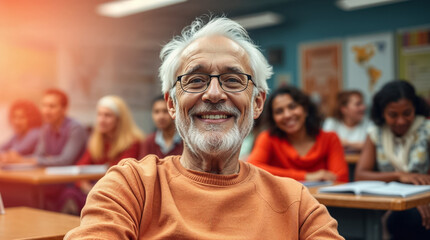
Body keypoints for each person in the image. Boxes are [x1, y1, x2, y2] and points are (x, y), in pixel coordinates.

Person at [65, 17, 343, 239]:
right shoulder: (131, 188)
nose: (213, 93)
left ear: (257, 103)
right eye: (195, 80)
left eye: (233, 80)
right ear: (171, 104)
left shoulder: (296, 203)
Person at [355, 80, 430, 239]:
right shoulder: (376, 132)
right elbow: (360, 175)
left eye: (407, 113)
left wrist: (419, 198)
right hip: (389, 202)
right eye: (393, 115)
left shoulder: (426, 129)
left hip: (424, 199)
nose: (401, 121)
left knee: (413, 218)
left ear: (415, 108)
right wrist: (398, 175)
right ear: (382, 113)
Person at [60, 95, 144, 214]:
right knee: (68, 194)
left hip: (117, 193)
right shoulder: (97, 140)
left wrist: (93, 188)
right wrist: (85, 185)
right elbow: (80, 168)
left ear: (119, 119)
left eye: (107, 115)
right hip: (94, 189)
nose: (101, 119)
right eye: (99, 115)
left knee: (78, 198)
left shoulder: (132, 142)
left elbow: (119, 175)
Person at [248, 86, 349, 182]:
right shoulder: (268, 138)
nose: (287, 115)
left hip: (323, 200)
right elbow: (253, 168)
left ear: (305, 109)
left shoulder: (330, 138)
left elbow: (341, 179)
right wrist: (306, 176)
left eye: (292, 107)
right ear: (273, 118)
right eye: (279, 111)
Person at [1, 88, 87, 166]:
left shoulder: (75, 129)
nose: (46, 111)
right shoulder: (46, 128)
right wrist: (42, 160)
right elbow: (39, 155)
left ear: (64, 109)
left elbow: (65, 161)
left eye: (52, 106)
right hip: (51, 177)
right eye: (44, 105)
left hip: (73, 180)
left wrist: (24, 160)